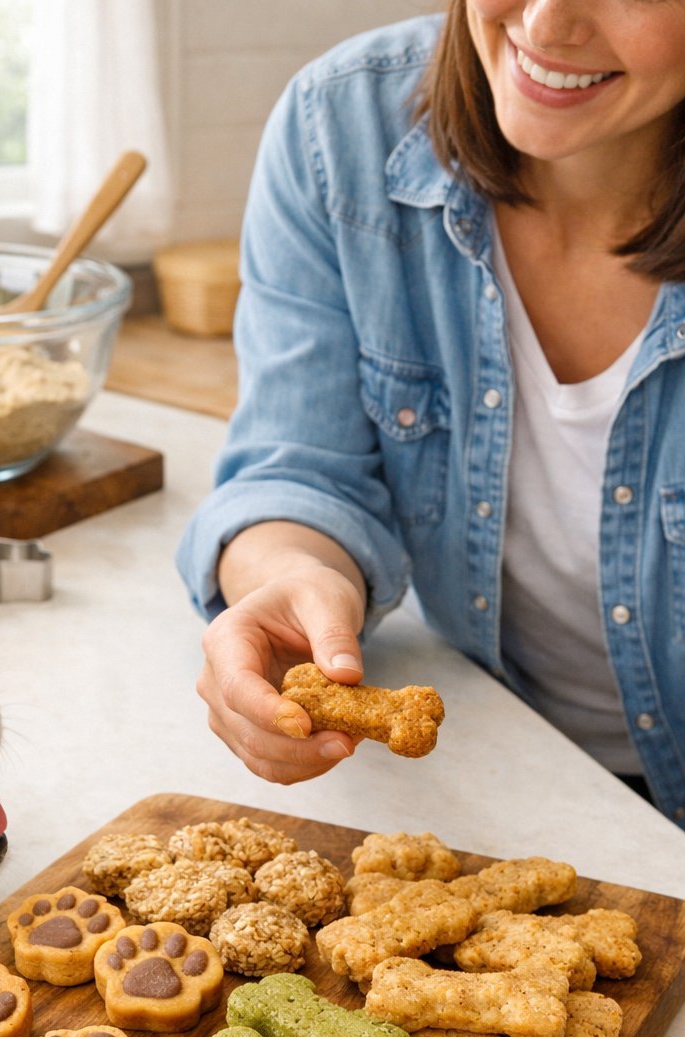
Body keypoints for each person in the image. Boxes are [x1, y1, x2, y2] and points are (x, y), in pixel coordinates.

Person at [175, 2, 685, 826]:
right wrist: (292, 579)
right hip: (502, 775)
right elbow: (298, 468)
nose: (548, 24)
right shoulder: (340, 126)